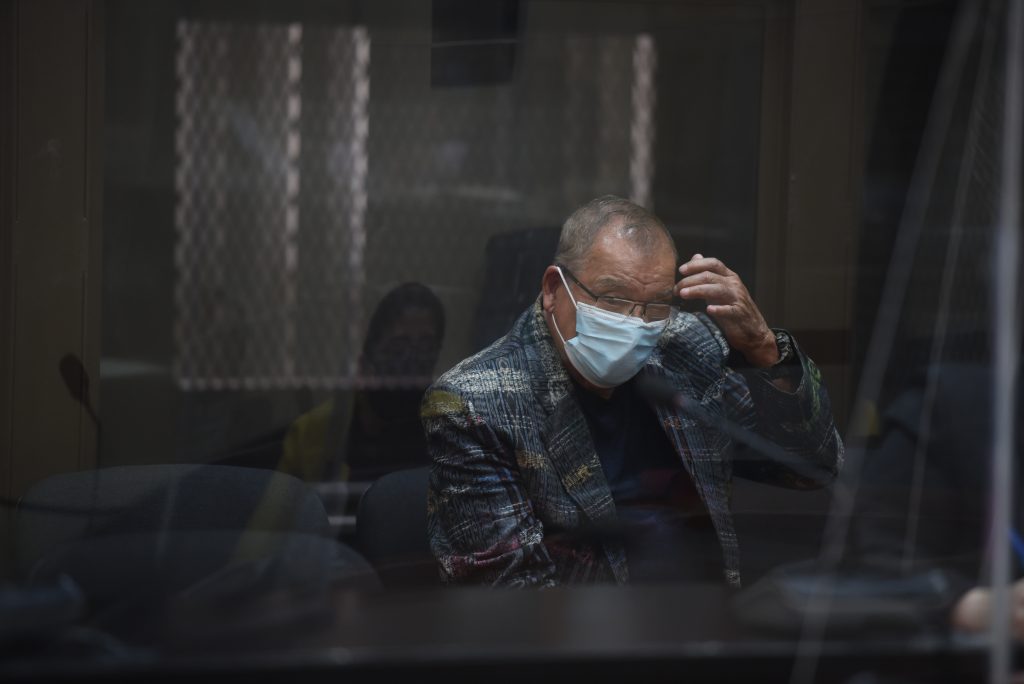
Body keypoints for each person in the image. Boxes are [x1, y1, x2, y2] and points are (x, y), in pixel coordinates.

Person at [423, 195, 844, 587]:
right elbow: (511, 595)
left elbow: (812, 468)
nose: (635, 323)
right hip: (589, 649)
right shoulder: (475, 402)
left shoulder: (688, 346)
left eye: (656, 304)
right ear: (554, 290)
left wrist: (764, 349)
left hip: (710, 626)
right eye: (612, 299)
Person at [281, 281, 446, 483]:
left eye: (425, 347)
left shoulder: (450, 429)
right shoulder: (314, 434)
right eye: (398, 347)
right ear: (364, 365)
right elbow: (280, 513)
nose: (411, 360)